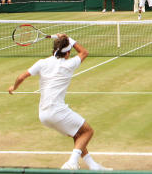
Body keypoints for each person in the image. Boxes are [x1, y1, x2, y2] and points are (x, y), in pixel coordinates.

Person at [8, 34, 105, 171]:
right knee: (87, 131)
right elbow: (84, 52)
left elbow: (22, 76)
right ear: (67, 53)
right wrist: (69, 38)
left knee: (77, 135)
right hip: (57, 111)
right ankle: (72, 162)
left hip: (43, 115)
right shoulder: (69, 64)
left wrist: (14, 87)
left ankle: (93, 166)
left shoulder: (42, 63)